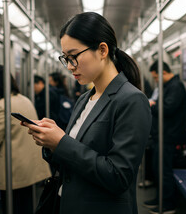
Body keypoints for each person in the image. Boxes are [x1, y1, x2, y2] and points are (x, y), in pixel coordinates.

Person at [22, 12, 151, 214]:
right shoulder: (84, 99)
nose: (70, 66)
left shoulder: (131, 100)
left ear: (102, 50)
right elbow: (73, 160)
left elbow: (119, 177)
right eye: (66, 59)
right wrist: (51, 143)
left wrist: (62, 142)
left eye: (74, 56)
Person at [0, 65, 51, 214]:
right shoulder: (24, 99)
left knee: (12, 207)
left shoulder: (1, 106)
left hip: (14, 169)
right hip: (28, 167)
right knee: (25, 206)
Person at [144, 61, 186, 214]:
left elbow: (168, 109)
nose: (156, 81)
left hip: (169, 136)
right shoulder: (168, 87)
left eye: (156, 78)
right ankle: (160, 197)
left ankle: (168, 203)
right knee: (158, 169)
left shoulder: (175, 87)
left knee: (164, 171)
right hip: (162, 135)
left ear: (162, 73)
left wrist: (151, 105)